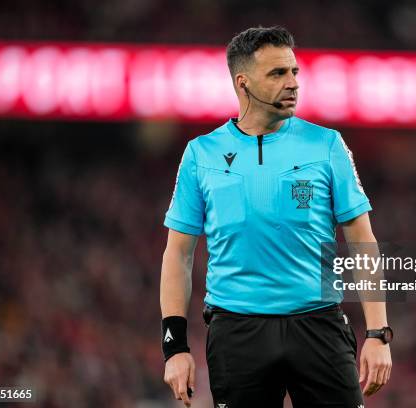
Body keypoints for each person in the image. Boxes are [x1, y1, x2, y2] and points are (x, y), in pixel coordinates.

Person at [160, 26, 392, 408]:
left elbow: (362, 240)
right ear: (243, 83)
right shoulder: (201, 154)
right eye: (278, 73)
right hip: (237, 332)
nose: (293, 83)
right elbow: (178, 255)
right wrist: (175, 346)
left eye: (294, 72)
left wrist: (378, 333)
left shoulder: (327, 144)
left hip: (318, 325)